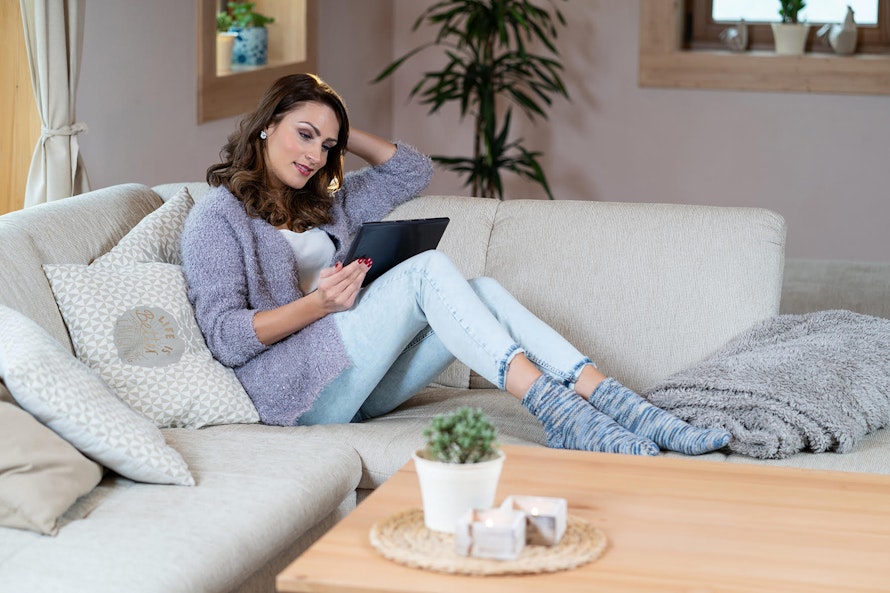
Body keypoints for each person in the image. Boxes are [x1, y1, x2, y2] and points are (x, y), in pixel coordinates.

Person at [181, 73, 730, 456]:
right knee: (425, 273)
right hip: (293, 394)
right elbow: (227, 339)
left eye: (328, 146)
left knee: (484, 288)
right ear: (265, 126)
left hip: (358, 383)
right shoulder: (218, 219)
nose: (315, 156)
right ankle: (559, 413)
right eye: (304, 135)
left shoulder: (329, 201)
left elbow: (412, 171)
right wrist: (318, 303)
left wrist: (343, 131)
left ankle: (621, 405)